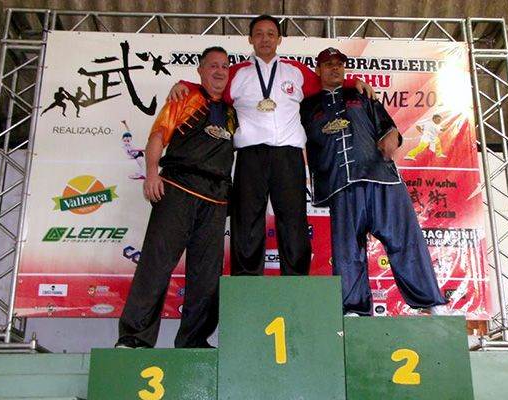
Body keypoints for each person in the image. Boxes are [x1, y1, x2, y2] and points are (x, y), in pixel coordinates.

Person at [170, 14, 375, 277]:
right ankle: (246, 279)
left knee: (293, 219)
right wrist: (184, 85)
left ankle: (296, 279)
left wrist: (353, 82)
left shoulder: (295, 70)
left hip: (288, 155)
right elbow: (211, 89)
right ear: (250, 39)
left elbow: (327, 84)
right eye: (258, 34)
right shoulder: (237, 73)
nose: (264, 39)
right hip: (250, 155)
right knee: (247, 219)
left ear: (279, 39)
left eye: (270, 34)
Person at [300, 47, 451, 316]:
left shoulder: (361, 95)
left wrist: (392, 137)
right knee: (347, 251)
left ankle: (431, 302)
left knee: (405, 240)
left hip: (381, 179)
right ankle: (354, 309)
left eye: (339, 64)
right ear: (318, 70)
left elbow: (388, 128)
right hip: (341, 185)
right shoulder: (307, 107)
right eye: (328, 64)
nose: (334, 68)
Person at [115, 47, 237, 349]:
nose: (219, 71)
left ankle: (194, 341)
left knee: (207, 276)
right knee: (156, 264)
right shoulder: (185, 97)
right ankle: (135, 338)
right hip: (177, 189)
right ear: (200, 70)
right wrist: (151, 173)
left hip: (216, 200)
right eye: (213, 65)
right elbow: (158, 136)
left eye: (224, 66)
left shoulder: (234, 111)